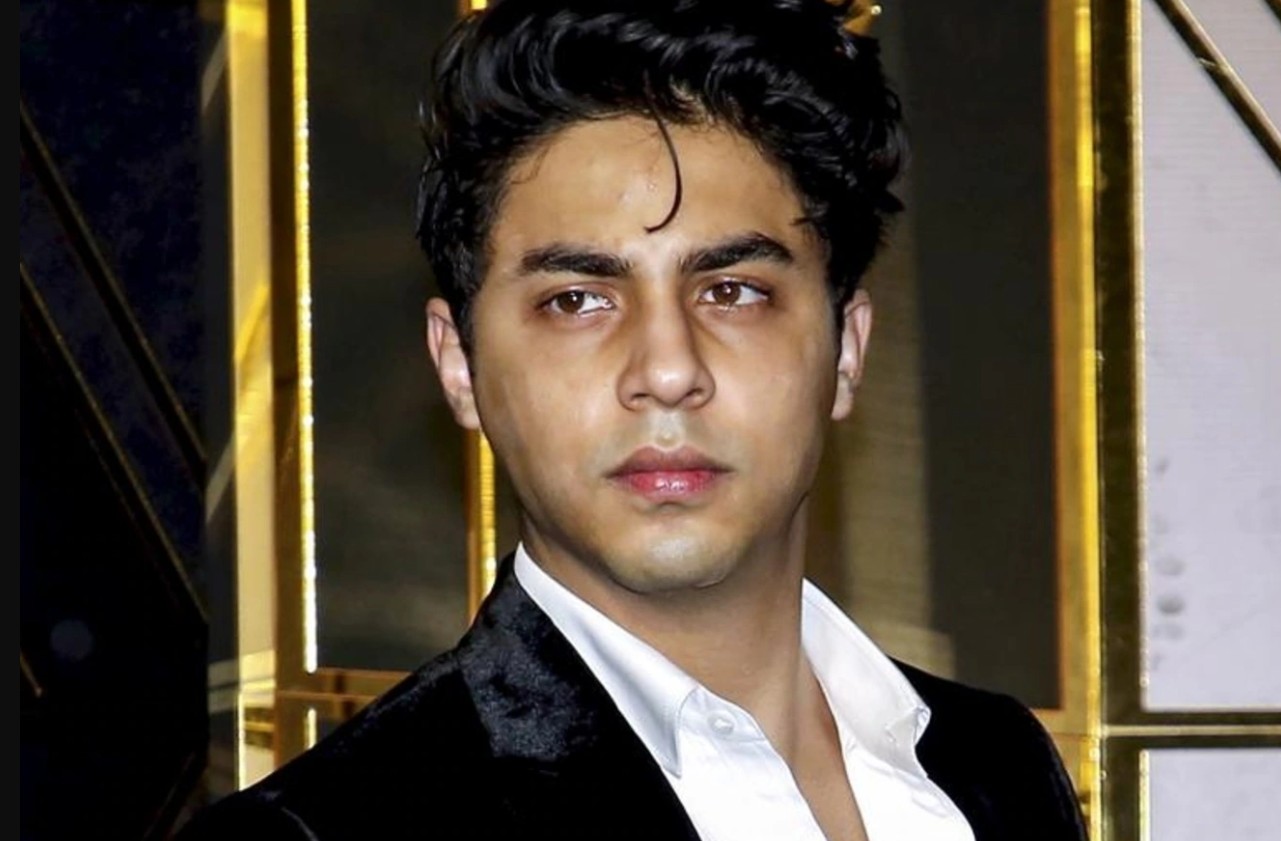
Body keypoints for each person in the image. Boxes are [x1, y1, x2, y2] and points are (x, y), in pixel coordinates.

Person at [182, 0, 1086, 838]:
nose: (667, 370)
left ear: (846, 349)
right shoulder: (321, 831)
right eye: (577, 300)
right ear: (458, 364)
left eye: (732, 291)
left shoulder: (995, 765)